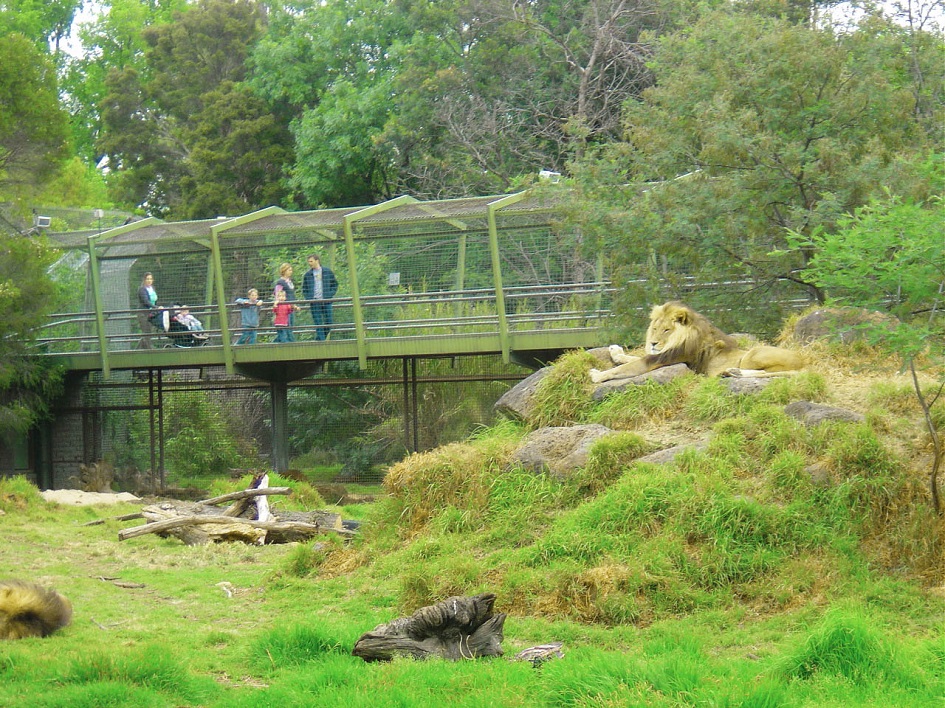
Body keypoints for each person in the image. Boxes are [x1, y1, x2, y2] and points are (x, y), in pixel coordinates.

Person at [302, 253, 339, 341]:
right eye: (308, 261)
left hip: (326, 301)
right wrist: (309, 298)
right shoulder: (308, 275)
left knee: (329, 323)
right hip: (314, 302)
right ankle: (322, 342)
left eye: (311, 261)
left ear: (317, 261)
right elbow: (304, 288)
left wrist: (329, 294)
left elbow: (335, 284)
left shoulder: (327, 271)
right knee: (318, 323)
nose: (309, 263)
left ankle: (319, 340)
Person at [136, 272, 158, 349]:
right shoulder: (142, 289)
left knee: (148, 332)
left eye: (150, 279)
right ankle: (150, 349)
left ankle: (136, 351)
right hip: (143, 313)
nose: (149, 280)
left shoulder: (153, 288)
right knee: (146, 332)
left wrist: (156, 308)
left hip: (151, 313)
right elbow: (146, 301)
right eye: (147, 279)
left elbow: (154, 300)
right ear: (144, 280)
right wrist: (155, 307)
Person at [273, 262, 297, 330]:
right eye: (289, 270)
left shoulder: (289, 281)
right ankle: (290, 340)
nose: (291, 272)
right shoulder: (280, 282)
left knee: (290, 326)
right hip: (284, 307)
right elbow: (277, 293)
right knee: (287, 326)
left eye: (291, 270)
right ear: (284, 271)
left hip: (291, 306)